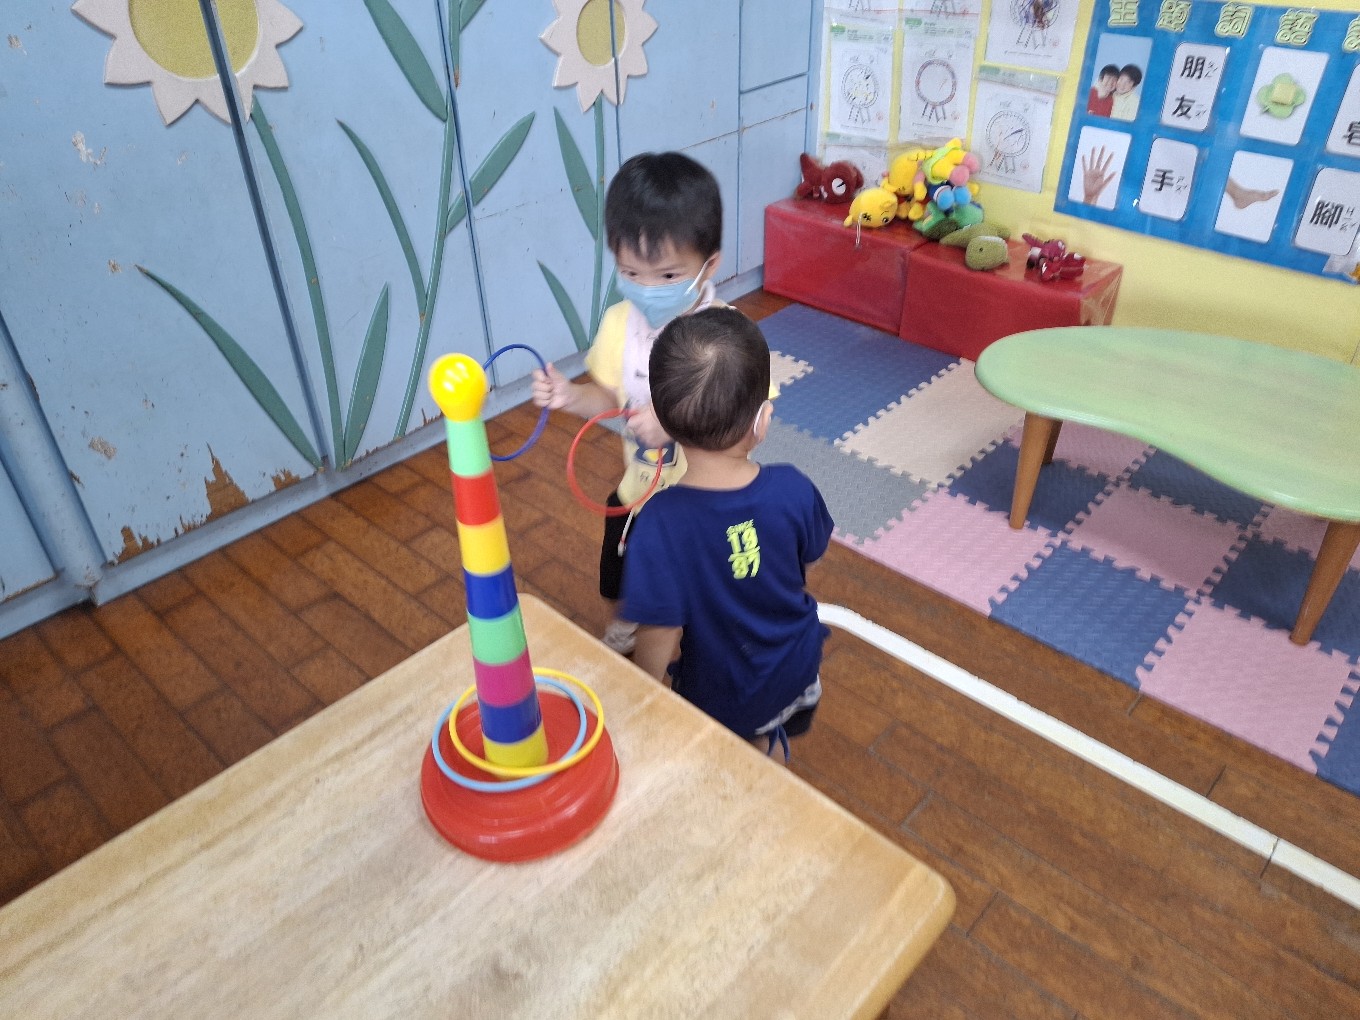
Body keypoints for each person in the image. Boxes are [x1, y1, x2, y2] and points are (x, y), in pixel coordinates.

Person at [619, 307, 834, 761]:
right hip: (796, 667)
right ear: (762, 421)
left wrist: (645, 694)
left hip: (722, 690)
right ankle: (771, 753)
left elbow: (659, 629)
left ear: (664, 421)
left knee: (732, 755)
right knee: (768, 738)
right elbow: (810, 558)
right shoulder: (794, 488)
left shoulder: (659, 522)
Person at [531, 152, 724, 656]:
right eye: (631, 272)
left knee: (701, 593)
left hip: (707, 502)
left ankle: (695, 643)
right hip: (638, 492)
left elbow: (744, 420)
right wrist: (572, 396)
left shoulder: (726, 335)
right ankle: (626, 626)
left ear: (709, 265)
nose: (647, 289)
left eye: (667, 276)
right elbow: (609, 398)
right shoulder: (621, 323)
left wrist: (674, 423)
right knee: (622, 576)